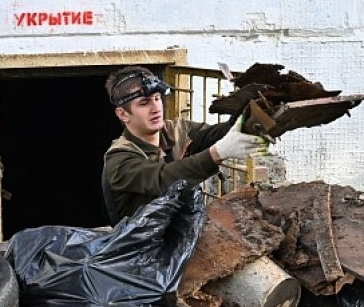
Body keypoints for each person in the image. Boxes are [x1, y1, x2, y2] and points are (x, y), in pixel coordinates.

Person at [102, 65, 268, 224]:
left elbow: (214, 134)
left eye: (157, 99)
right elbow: (163, 178)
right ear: (123, 114)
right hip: (143, 246)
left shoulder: (176, 130)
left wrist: (249, 114)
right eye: (144, 103)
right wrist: (218, 152)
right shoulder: (119, 160)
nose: (156, 108)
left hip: (180, 232)